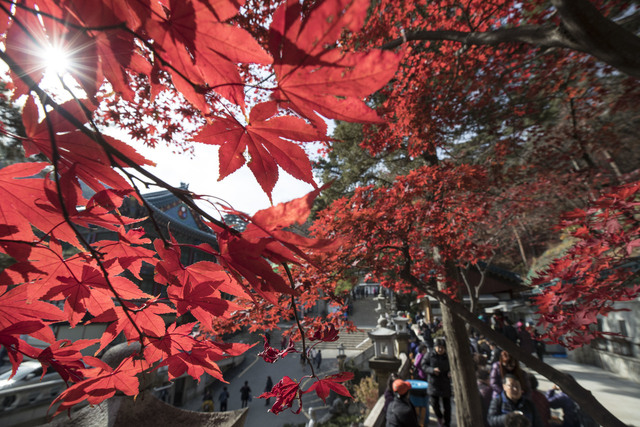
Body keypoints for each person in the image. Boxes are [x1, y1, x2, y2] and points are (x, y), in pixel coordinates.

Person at [421, 338, 451, 427]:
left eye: (442, 347)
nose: (440, 349)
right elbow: (423, 365)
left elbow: (454, 366)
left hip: (445, 383)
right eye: (439, 347)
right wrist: (432, 370)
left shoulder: (448, 356)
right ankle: (439, 417)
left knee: (447, 406)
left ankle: (447, 423)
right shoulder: (429, 355)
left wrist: (451, 372)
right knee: (435, 404)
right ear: (435, 347)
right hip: (433, 383)